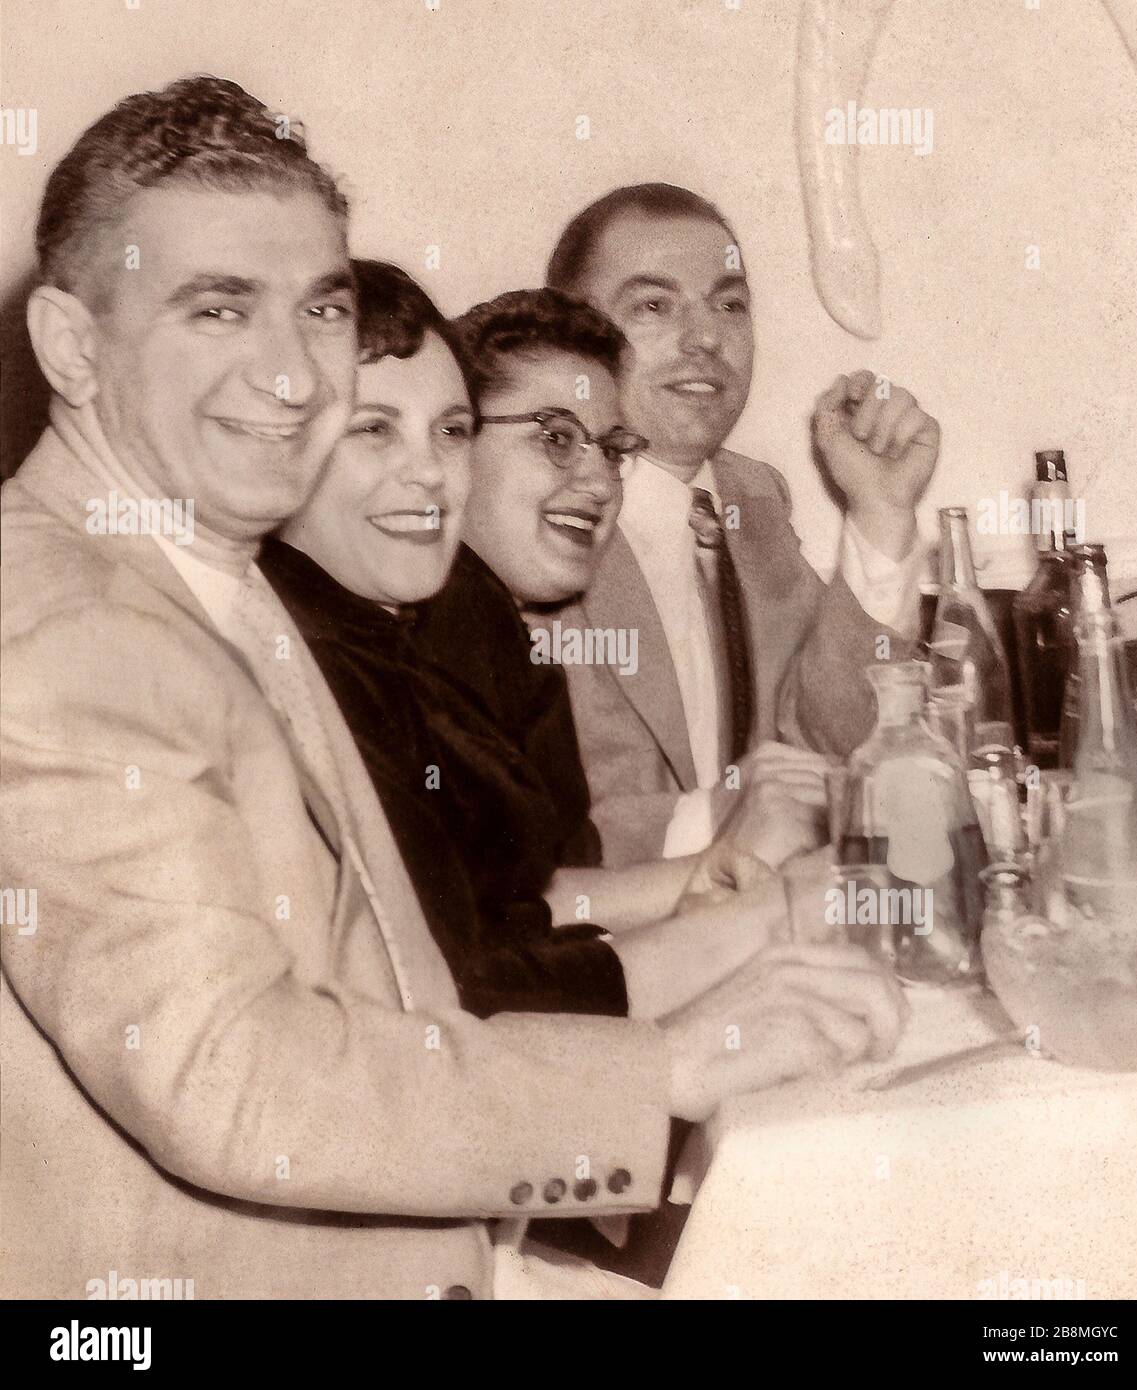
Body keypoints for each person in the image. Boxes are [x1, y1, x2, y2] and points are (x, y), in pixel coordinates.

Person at [0, 77, 905, 1302]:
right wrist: (672, 1066)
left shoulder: (201, 560)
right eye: (219, 310)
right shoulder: (59, 628)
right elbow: (233, 1076)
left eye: (318, 308)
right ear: (71, 342)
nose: (293, 377)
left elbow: (403, 974)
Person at [263, 268, 824, 1023]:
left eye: (612, 448)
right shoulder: (372, 642)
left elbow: (524, 898)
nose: (598, 480)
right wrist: (761, 912)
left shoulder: (476, 625)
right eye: (554, 438)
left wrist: (701, 877)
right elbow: (467, 992)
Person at [544, 183, 942, 866]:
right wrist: (735, 818)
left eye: (729, 304)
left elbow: (834, 739)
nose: (706, 337)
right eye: (653, 305)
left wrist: (880, 512)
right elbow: (543, 835)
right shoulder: (533, 519)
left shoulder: (753, 499)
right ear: (573, 334)